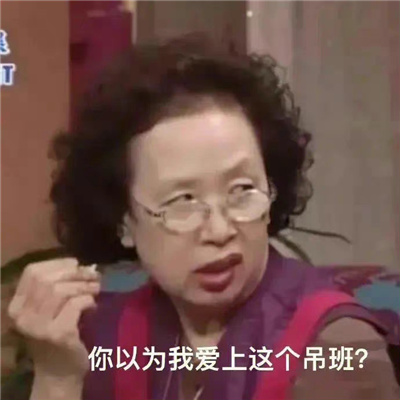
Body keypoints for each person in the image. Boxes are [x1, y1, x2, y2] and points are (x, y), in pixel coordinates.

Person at [7, 35, 399, 400]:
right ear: (123, 219)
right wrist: (57, 378)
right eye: (183, 201)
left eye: (242, 191)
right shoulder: (104, 335)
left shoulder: (337, 347)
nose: (219, 230)